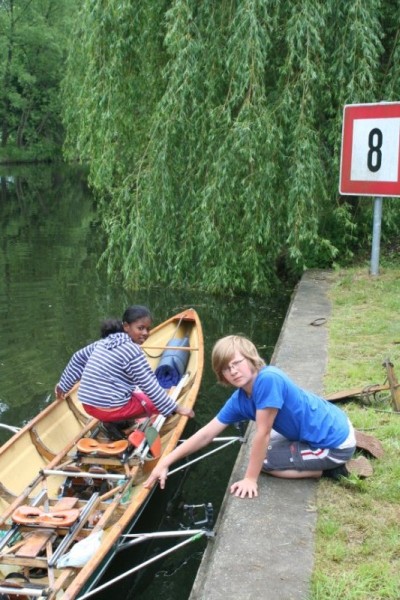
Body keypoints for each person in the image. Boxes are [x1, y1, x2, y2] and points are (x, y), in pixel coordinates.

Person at [144, 335, 356, 499]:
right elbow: (206, 434)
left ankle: (329, 471)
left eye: (237, 362)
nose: (234, 371)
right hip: (331, 422)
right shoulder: (240, 399)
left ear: (251, 359)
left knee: (264, 461)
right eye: (226, 368)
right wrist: (166, 461)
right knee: (263, 450)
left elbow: (262, 433)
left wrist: (250, 479)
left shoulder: (268, 379)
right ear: (222, 375)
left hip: (334, 444)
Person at [55, 305, 194, 423]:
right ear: (126, 326)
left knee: (137, 390)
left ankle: (116, 421)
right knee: (156, 404)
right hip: (109, 409)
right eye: (140, 328)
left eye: (147, 329)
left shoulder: (104, 342)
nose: (145, 333)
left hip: (87, 404)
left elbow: (77, 359)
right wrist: (176, 408)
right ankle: (121, 422)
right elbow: (149, 384)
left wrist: (63, 386)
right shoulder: (132, 350)